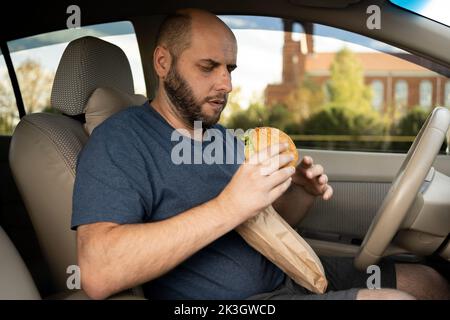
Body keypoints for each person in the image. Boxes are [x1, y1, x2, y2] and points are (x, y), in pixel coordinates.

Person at [72, 8, 450, 300]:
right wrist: (228, 206)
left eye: (230, 69)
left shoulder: (223, 139)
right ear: (163, 63)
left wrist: (298, 191)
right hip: (251, 300)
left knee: (429, 280)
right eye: (209, 67)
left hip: (292, 272)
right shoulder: (120, 141)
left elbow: (265, 223)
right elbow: (98, 271)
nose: (227, 84)